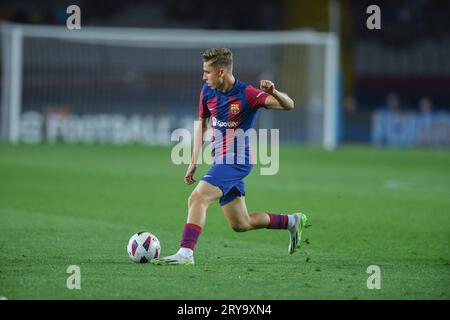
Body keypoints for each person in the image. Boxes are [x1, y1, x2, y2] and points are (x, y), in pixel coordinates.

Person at [152, 48, 308, 265]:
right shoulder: (207, 91)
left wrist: (274, 92)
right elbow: (202, 126)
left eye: (207, 71)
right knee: (241, 223)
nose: (204, 76)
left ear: (222, 72)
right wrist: (193, 161)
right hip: (221, 160)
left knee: (198, 198)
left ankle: (186, 253)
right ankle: (291, 221)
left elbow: (289, 105)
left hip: (237, 159)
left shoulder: (247, 94)